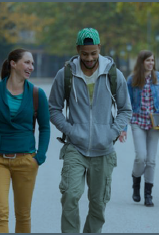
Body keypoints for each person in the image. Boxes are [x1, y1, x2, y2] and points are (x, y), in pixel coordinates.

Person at [48, 27, 132, 233]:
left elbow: (126, 109)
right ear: (78, 49)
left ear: (99, 48)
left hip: (103, 150)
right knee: (70, 195)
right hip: (75, 147)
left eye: (93, 53)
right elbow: (54, 109)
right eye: (84, 53)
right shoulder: (66, 74)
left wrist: (111, 133)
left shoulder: (113, 74)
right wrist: (71, 130)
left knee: (98, 203)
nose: (89, 58)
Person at [0, 48, 51, 233]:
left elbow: (45, 127)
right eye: (27, 62)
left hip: (26, 160)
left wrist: (39, 157)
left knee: (23, 214)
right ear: (13, 64)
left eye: (32, 63)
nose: (31, 67)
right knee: (0, 214)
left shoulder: (36, 94)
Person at [119, 50, 159, 207]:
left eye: (153, 60)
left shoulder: (158, 78)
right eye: (148, 60)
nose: (151, 63)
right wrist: (123, 129)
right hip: (137, 121)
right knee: (141, 157)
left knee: (151, 160)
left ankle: (148, 194)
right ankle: (136, 182)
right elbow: (125, 106)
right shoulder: (132, 79)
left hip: (154, 123)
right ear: (141, 62)